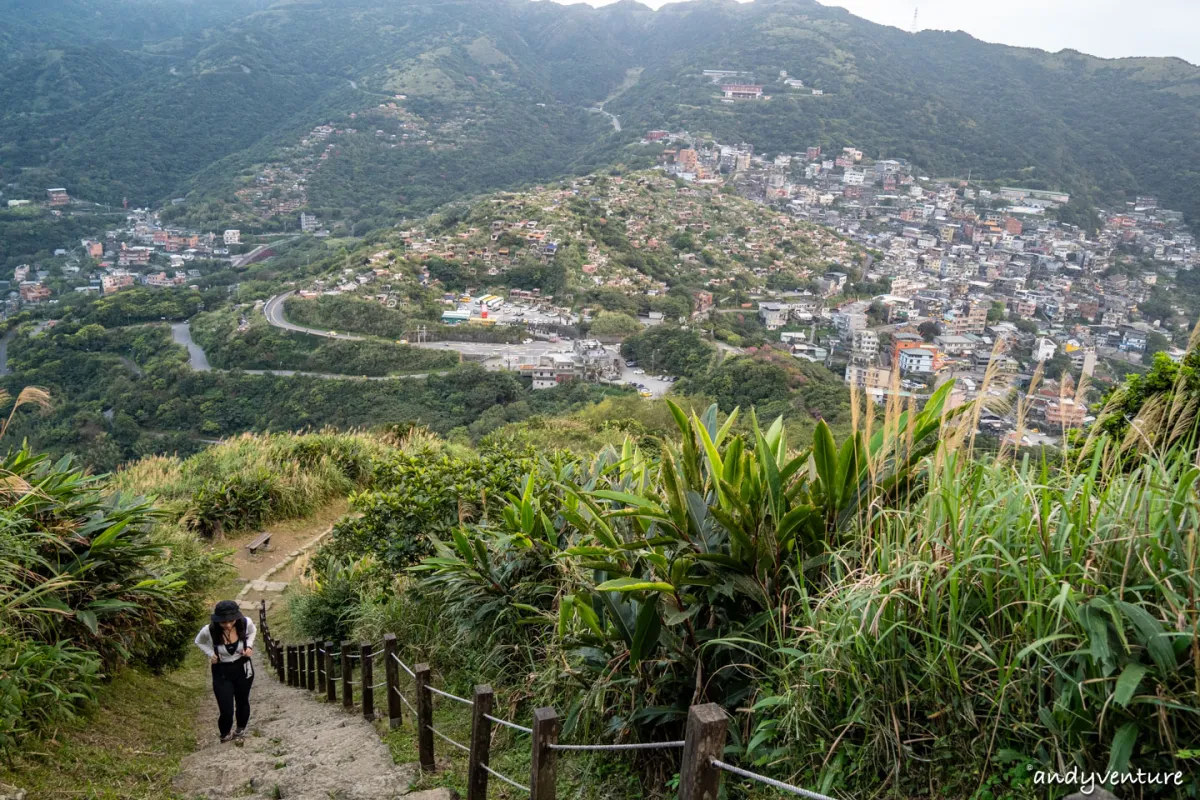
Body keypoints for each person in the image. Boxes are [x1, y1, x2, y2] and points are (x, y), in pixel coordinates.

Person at [195, 600, 256, 742]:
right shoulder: (209, 630)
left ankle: (240, 729)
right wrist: (211, 654)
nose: (228, 625)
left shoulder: (245, 623)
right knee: (226, 706)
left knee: (242, 700)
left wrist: (250, 647)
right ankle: (225, 733)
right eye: (223, 622)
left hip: (243, 667)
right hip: (222, 670)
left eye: (231, 621)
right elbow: (199, 641)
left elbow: (253, 632)